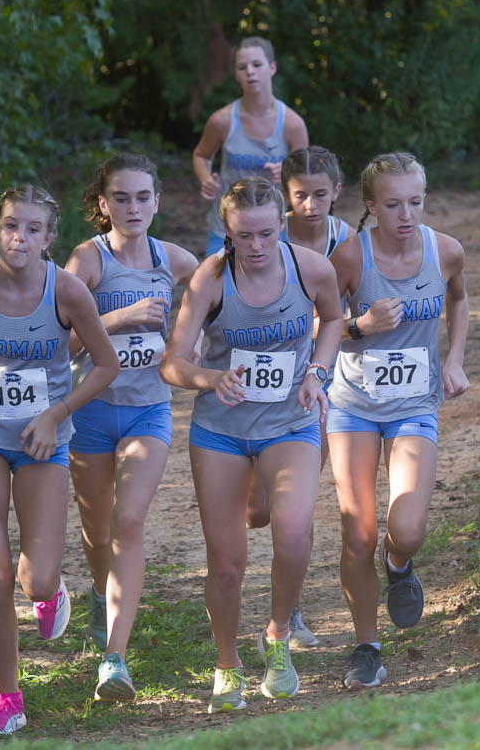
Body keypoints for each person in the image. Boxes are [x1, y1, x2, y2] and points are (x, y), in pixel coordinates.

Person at [0, 185, 118, 737]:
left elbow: (105, 365)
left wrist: (54, 414)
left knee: (34, 581)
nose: (20, 237)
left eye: (33, 229)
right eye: (12, 226)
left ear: (48, 237)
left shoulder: (66, 292)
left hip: (44, 441)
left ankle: (50, 591)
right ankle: (9, 697)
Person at [160, 176, 343, 711]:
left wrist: (317, 371)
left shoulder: (311, 268)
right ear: (228, 232)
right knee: (226, 562)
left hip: (291, 421)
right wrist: (209, 378)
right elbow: (173, 361)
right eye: (245, 236)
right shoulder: (209, 280)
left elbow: (332, 319)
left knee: (291, 534)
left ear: (282, 225)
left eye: (266, 233)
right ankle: (226, 665)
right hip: (221, 430)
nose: (257, 246)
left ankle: (278, 636)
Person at [327, 152, 469, 691]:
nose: (405, 214)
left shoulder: (446, 251)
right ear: (371, 206)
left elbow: (458, 301)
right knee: (357, 531)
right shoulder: (349, 258)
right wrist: (358, 326)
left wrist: (454, 358)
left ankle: (400, 564)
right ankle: (366, 647)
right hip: (353, 406)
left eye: (415, 201)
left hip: (414, 403)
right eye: (392, 204)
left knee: (406, 527)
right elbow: (316, 327)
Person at [65, 153, 198, 701]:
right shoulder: (88, 261)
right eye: (121, 198)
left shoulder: (176, 260)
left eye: (143, 197)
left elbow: (219, 291)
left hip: (148, 409)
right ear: (103, 204)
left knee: (129, 521)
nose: (133, 207)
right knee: (97, 530)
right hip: (89, 411)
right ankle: (101, 593)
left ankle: (114, 660)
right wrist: (119, 317)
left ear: (157, 202)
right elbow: (59, 342)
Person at [244, 145, 350, 647]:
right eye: (300, 195)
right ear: (286, 195)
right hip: (258, 382)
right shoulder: (263, 235)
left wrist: (348, 330)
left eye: (321, 195)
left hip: (324, 380)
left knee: (298, 506)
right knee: (257, 512)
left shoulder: (348, 242)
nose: (311, 205)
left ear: (338, 193)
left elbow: (356, 312)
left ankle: (291, 613)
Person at [192, 36, 309, 258]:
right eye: (242, 67)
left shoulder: (292, 124)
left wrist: (287, 175)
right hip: (226, 226)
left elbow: (305, 178)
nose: (250, 72)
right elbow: (201, 155)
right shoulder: (222, 120)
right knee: (214, 288)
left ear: (272, 67)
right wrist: (205, 179)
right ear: (236, 74)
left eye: (257, 65)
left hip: (272, 228)